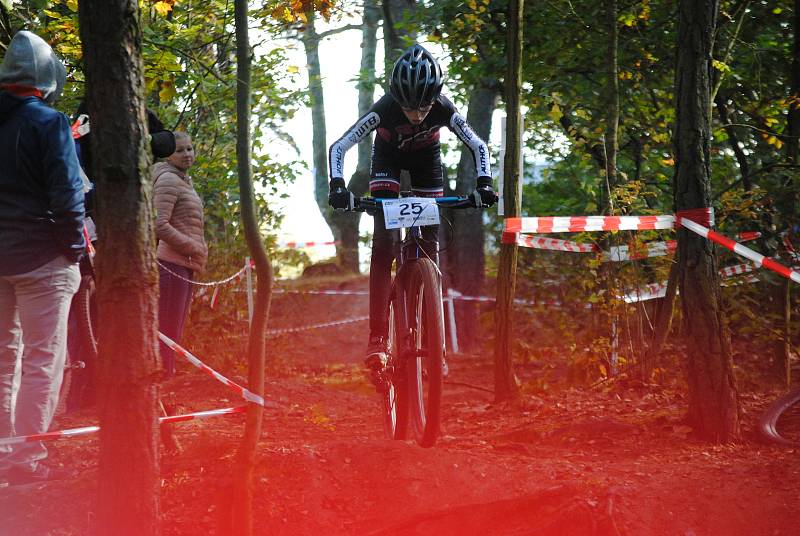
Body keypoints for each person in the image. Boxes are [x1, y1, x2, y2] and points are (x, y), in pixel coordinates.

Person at [327, 44, 496, 373]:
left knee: (430, 246)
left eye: (424, 108)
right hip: (387, 161)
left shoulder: (444, 108)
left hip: (426, 163)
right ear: (397, 99)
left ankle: (435, 341)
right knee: (385, 244)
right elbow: (340, 146)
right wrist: (338, 187)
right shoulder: (385, 108)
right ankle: (377, 338)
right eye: (410, 109)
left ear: (435, 98)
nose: (418, 115)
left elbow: (477, 144)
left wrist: (484, 183)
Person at [0, 31, 85, 485]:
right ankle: (24, 461)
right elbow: (67, 193)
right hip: (41, 260)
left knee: (3, 360)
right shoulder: (48, 122)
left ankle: (5, 457)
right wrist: (75, 248)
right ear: (47, 80)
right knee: (41, 359)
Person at [153, 131, 207, 378]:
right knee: (167, 329)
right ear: (168, 155)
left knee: (174, 331)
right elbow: (159, 224)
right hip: (170, 263)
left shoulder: (184, 180)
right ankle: (163, 380)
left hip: (184, 264)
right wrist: (192, 246)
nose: (187, 154)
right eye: (180, 150)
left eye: (189, 149)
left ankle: (167, 378)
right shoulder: (168, 180)